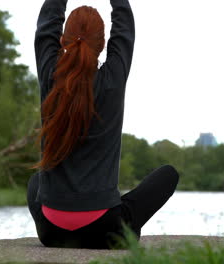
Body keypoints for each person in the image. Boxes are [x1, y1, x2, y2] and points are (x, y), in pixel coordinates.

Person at [27, 0, 179, 249]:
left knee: (36, 183)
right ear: (103, 44)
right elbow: (125, 28)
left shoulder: (49, 76)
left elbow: (46, 25)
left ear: (63, 40)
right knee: (168, 175)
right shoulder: (112, 80)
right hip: (104, 231)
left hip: (51, 230)